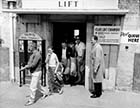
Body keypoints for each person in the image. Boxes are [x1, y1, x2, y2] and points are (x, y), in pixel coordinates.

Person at [20, 41, 47, 106]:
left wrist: (25, 67)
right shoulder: (32, 54)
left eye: (30, 46)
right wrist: (26, 65)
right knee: (37, 85)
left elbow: (33, 64)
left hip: (36, 72)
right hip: (34, 72)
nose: (29, 47)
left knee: (32, 87)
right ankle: (45, 93)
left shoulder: (37, 54)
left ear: (33, 47)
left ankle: (31, 100)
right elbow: (30, 62)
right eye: (29, 45)